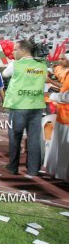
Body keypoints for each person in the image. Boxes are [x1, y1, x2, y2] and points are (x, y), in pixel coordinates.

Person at [3, 40, 47, 176]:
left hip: (19, 106)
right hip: (37, 106)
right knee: (34, 139)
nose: (13, 52)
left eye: (15, 50)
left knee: (15, 138)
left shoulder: (16, 64)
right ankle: (33, 169)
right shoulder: (42, 66)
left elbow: (4, 74)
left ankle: (13, 167)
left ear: (23, 51)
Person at [47, 49, 69, 181]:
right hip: (62, 116)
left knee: (65, 149)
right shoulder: (63, 72)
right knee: (60, 148)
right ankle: (59, 174)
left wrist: (52, 95)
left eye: (63, 58)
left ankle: (63, 175)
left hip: (67, 118)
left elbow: (66, 97)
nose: (59, 61)